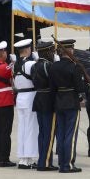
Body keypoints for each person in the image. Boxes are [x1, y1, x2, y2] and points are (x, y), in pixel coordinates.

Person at [49, 39, 90, 173]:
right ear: (70, 50)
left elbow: (52, 88)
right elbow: (79, 87)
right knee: (70, 135)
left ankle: (61, 162)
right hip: (71, 103)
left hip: (59, 103)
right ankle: (67, 164)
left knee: (62, 133)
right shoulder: (74, 67)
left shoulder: (54, 66)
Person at [31, 41, 59, 171]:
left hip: (38, 99)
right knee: (49, 133)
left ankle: (42, 159)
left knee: (42, 133)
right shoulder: (49, 66)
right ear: (47, 52)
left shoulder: (34, 66)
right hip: (48, 100)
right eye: (52, 52)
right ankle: (45, 162)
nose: (53, 54)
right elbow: (54, 84)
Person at [13, 38, 39, 169]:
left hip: (20, 97)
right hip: (30, 96)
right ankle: (27, 159)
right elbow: (38, 80)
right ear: (28, 49)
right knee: (30, 128)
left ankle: (23, 157)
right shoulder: (31, 64)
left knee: (23, 128)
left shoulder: (14, 65)